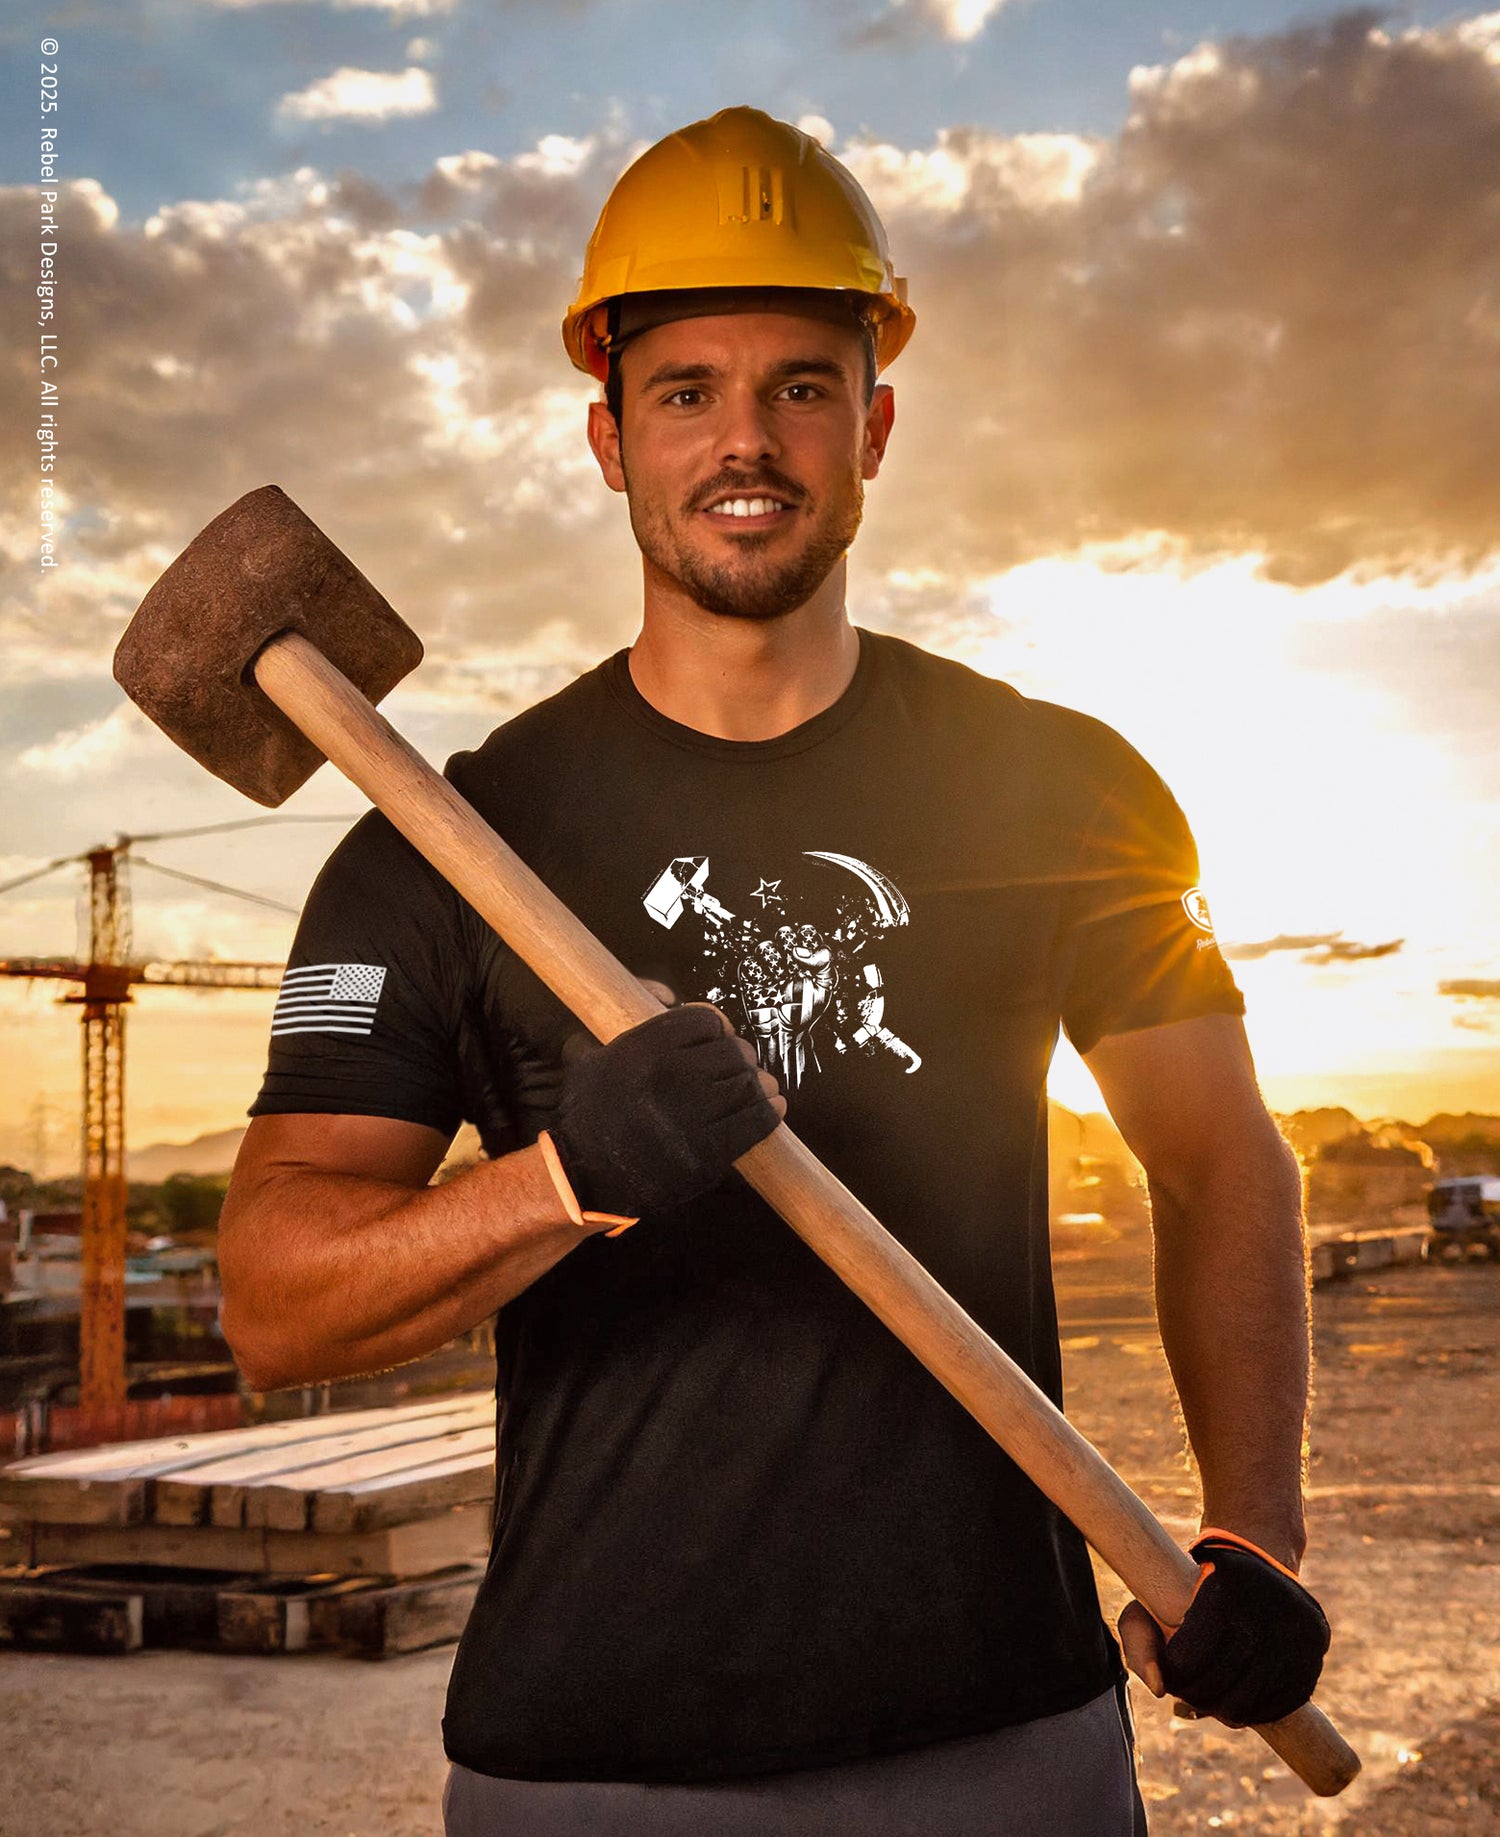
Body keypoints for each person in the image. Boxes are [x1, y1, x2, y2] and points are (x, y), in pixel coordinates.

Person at [219, 107, 1331, 1835]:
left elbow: (1220, 1158)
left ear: (875, 423)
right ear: (608, 436)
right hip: (586, 1763)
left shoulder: (1059, 782)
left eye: (802, 385)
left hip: (1006, 1740)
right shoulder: (443, 845)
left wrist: (1255, 1524)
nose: (748, 440)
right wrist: (566, 1179)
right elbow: (274, 1296)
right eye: (687, 391)